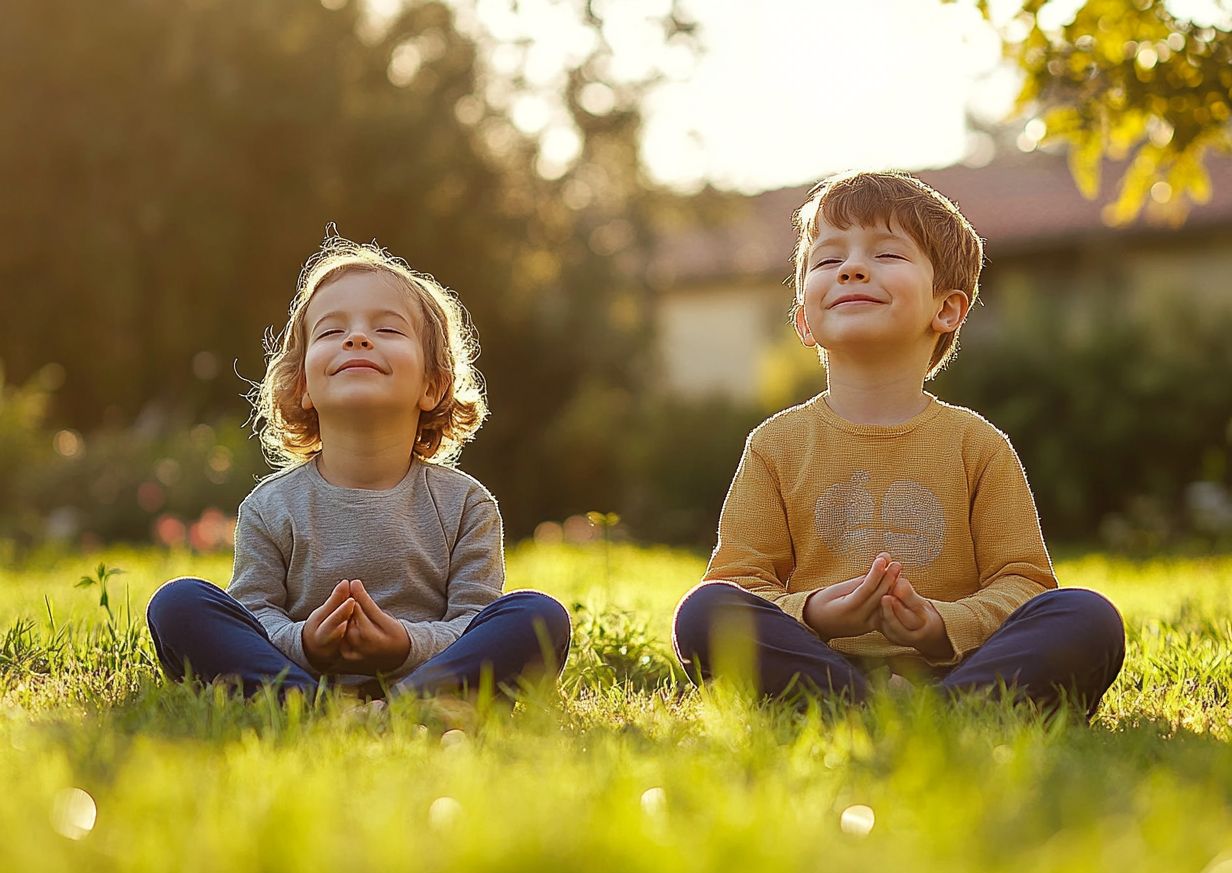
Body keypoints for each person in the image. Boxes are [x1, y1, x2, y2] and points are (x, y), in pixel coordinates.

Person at [672, 170, 1124, 718]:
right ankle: (865, 705)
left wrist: (939, 626)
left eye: (887, 255)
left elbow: (1023, 585)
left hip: (958, 665)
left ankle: (942, 705)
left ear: (947, 309)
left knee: (1086, 617)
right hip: (815, 662)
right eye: (827, 259)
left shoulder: (978, 446)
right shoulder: (776, 445)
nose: (852, 268)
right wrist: (813, 613)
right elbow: (739, 585)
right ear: (804, 321)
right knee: (704, 611)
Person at [147, 234, 571, 699]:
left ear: (432, 385)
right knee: (178, 603)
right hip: (299, 678)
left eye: (387, 329)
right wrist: (306, 641)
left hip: (427, 677)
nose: (357, 337)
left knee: (538, 616)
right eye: (331, 332)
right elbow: (254, 619)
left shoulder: (466, 505)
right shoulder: (270, 507)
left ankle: (407, 705)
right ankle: (310, 705)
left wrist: (404, 646)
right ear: (304, 386)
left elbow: (474, 623)